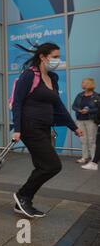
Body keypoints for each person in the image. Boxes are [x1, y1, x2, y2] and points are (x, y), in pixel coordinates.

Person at [11, 42, 83, 218]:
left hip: (44, 127)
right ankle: (22, 195)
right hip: (29, 127)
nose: (58, 60)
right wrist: (17, 129)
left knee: (42, 166)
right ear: (43, 57)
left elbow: (58, 105)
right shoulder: (29, 75)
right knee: (52, 165)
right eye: (55, 57)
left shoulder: (53, 78)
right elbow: (17, 102)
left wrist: (73, 127)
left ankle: (24, 201)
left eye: (59, 56)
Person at [71, 78, 99, 164]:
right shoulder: (80, 95)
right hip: (80, 120)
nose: (82, 84)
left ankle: (93, 159)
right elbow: (74, 106)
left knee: (92, 140)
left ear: (88, 84)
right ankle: (84, 157)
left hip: (91, 120)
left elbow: (98, 108)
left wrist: (88, 111)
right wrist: (79, 110)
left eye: (83, 82)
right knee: (83, 140)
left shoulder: (97, 96)